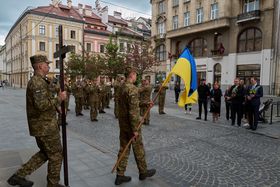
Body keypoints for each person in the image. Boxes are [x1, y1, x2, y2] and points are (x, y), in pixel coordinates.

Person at [7, 55, 67, 187]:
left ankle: (18, 176)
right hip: (45, 127)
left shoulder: (41, 81)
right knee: (56, 155)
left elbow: (45, 100)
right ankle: (53, 184)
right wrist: (60, 99)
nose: (49, 66)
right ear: (40, 66)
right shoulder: (37, 83)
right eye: (47, 64)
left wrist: (57, 108)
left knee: (45, 153)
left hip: (44, 126)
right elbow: (41, 106)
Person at [115, 67, 156, 185]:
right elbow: (133, 112)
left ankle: (120, 175)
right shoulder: (132, 89)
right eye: (135, 75)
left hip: (123, 124)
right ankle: (143, 172)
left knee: (124, 148)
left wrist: (145, 103)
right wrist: (135, 129)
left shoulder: (122, 87)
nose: (136, 77)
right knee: (138, 148)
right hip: (131, 125)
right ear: (132, 75)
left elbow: (130, 104)